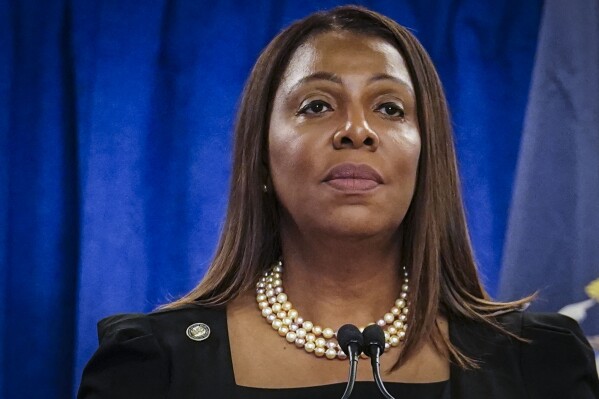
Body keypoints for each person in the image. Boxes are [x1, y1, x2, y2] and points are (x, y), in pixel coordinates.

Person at [78, 5, 599, 399]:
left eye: (390, 107)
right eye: (317, 105)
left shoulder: (539, 363)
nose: (356, 130)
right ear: (260, 157)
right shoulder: (152, 366)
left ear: (427, 158)